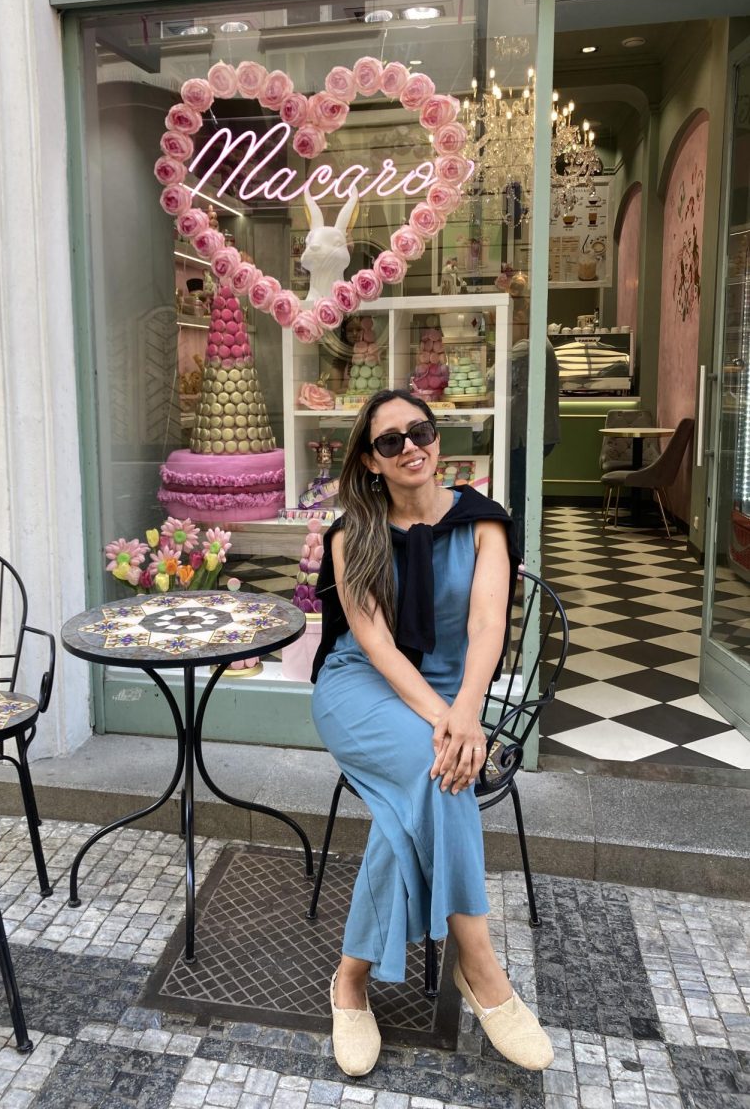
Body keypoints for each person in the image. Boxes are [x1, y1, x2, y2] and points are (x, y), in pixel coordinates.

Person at [310, 388, 554, 1078]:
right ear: (371, 460)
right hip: (360, 690)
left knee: (416, 798)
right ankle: (481, 968)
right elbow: (377, 647)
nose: (411, 447)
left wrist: (467, 711)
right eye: (391, 441)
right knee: (440, 766)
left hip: (455, 694)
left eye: (421, 431)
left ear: (437, 438)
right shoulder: (349, 534)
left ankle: (350, 981)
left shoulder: (485, 524)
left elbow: (487, 627)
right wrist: (448, 723)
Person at [507, 300, 561, 553]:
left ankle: (519, 561)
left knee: (519, 499)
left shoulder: (526, 347)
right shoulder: (544, 343)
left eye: (511, 320)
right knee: (523, 496)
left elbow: (492, 377)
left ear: (521, 317)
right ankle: (524, 556)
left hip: (527, 437)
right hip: (540, 433)